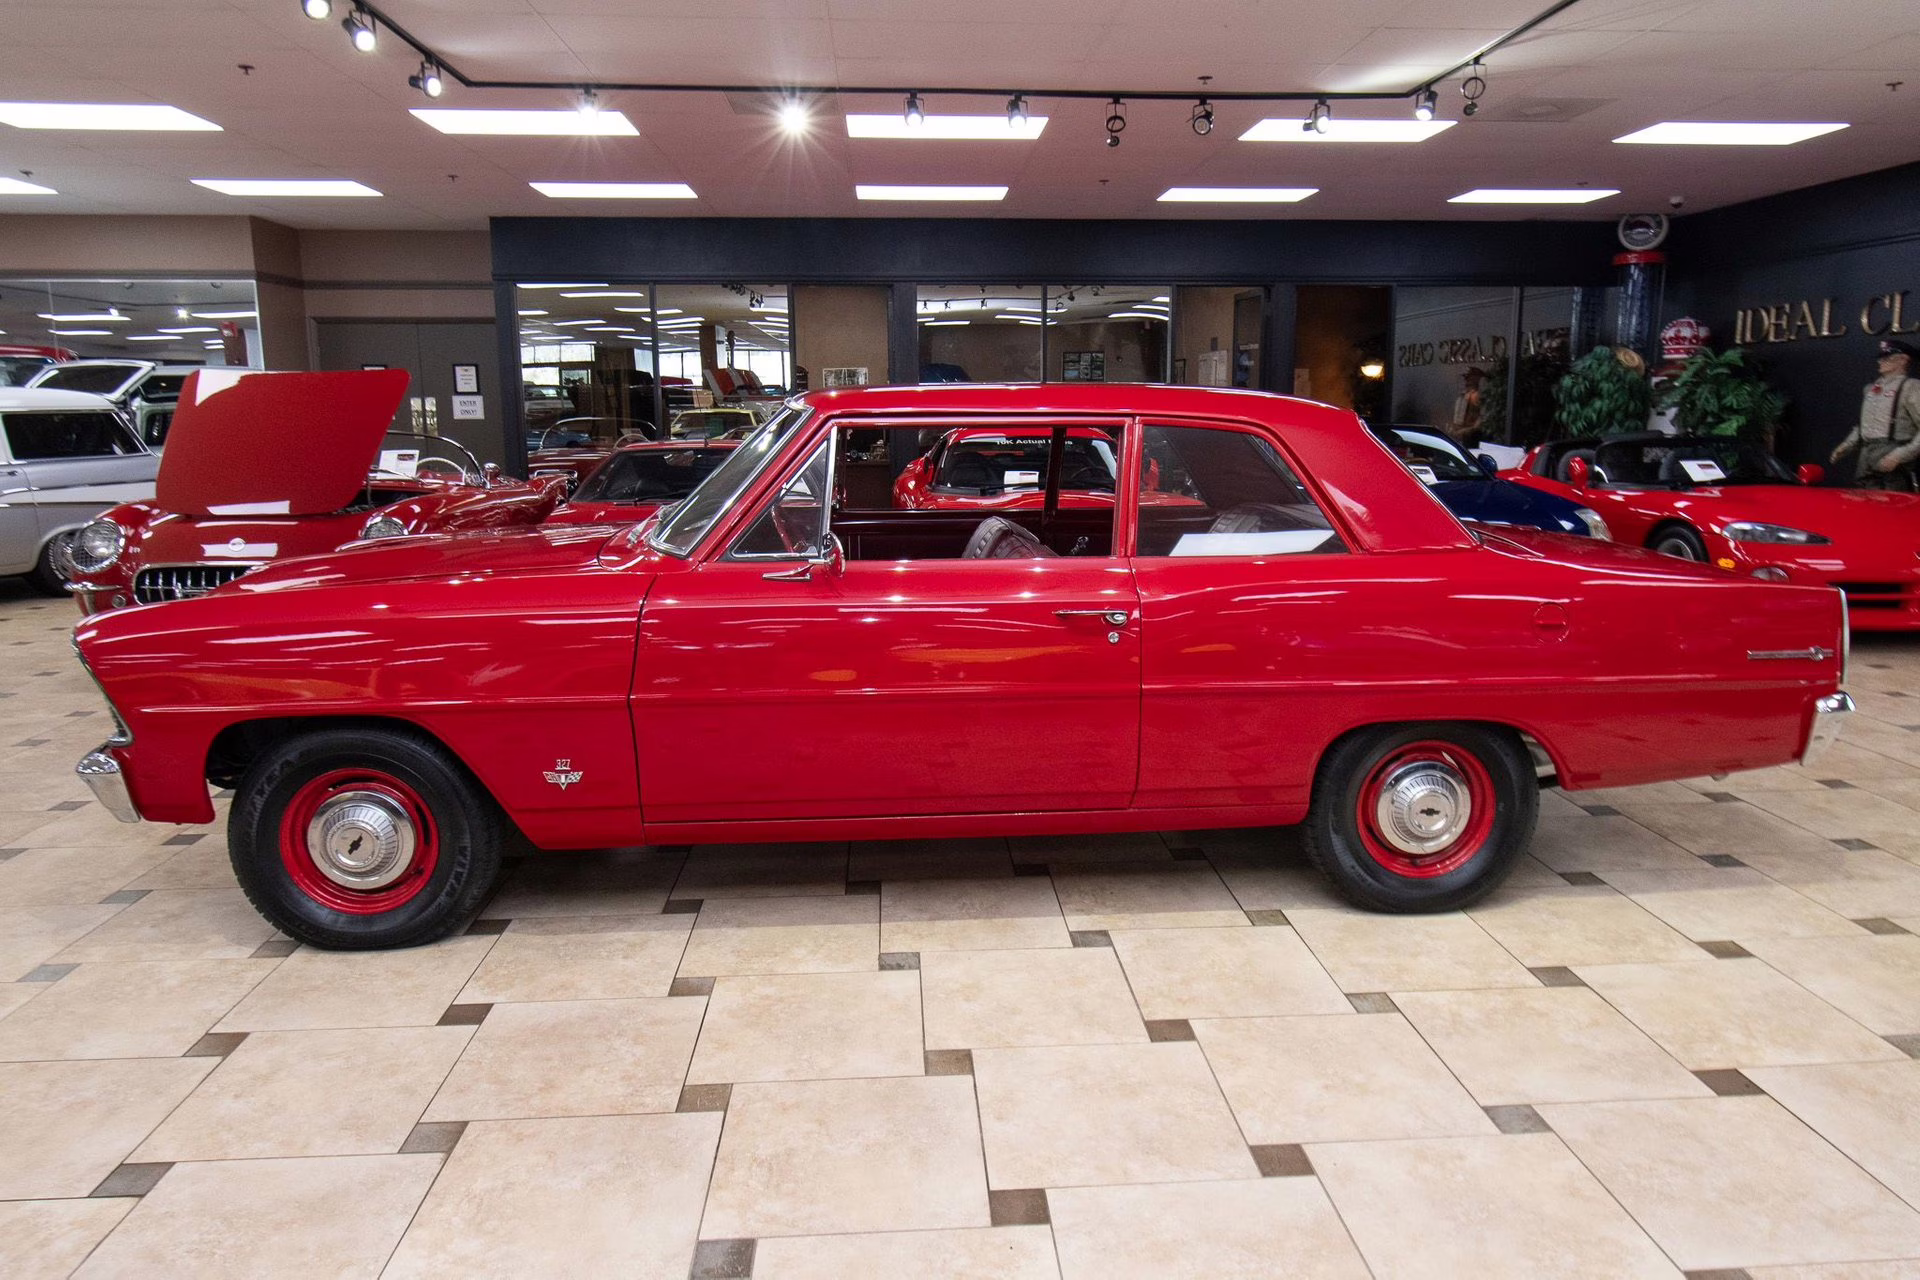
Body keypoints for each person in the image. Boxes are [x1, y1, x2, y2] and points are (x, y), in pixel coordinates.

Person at [1831, 339, 1920, 491]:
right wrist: (1847, 445)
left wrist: (1900, 455)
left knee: (1893, 500)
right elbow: (1863, 426)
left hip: (1892, 452)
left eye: (1887, 358)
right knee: (1863, 495)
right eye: (1881, 358)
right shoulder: (1871, 389)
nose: (1881, 362)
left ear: (1903, 360)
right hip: (1866, 455)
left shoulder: (1911, 387)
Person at [1450, 367, 1485, 441]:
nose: (1466, 380)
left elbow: (1482, 417)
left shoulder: (1476, 395)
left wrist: (1470, 430)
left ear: (1476, 379)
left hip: (1470, 435)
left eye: (1468, 377)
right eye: (1465, 377)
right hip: (1458, 434)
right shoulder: (1463, 395)